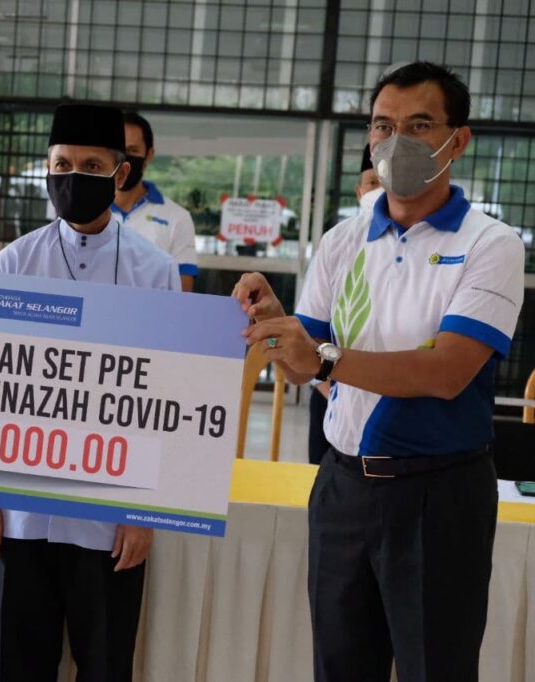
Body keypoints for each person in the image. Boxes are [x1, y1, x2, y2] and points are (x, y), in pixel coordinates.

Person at [235, 61, 525, 682]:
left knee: (434, 668)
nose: (397, 142)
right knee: (339, 666)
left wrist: (325, 358)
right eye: (383, 126)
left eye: (419, 126)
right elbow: (307, 369)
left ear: (458, 140)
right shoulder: (342, 241)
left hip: (437, 496)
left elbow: (448, 372)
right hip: (342, 488)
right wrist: (280, 328)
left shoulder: (490, 244)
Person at [0, 104, 180, 682]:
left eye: (90, 165)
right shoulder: (15, 261)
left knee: (106, 664)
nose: (73, 176)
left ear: (120, 172)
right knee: (19, 665)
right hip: (21, 511)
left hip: (108, 518)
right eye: (62, 164)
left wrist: (142, 512)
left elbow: (163, 399)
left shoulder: (154, 271)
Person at [309, 144, 384, 464]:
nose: (379, 190)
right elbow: (309, 334)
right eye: (372, 182)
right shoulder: (338, 242)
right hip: (331, 396)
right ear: (359, 191)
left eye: (385, 181)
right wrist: (335, 393)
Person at [111, 111, 198, 291]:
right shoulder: (86, 211)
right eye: (118, 150)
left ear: (149, 155)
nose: (124, 160)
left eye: (132, 151)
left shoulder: (177, 217)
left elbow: (183, 293)